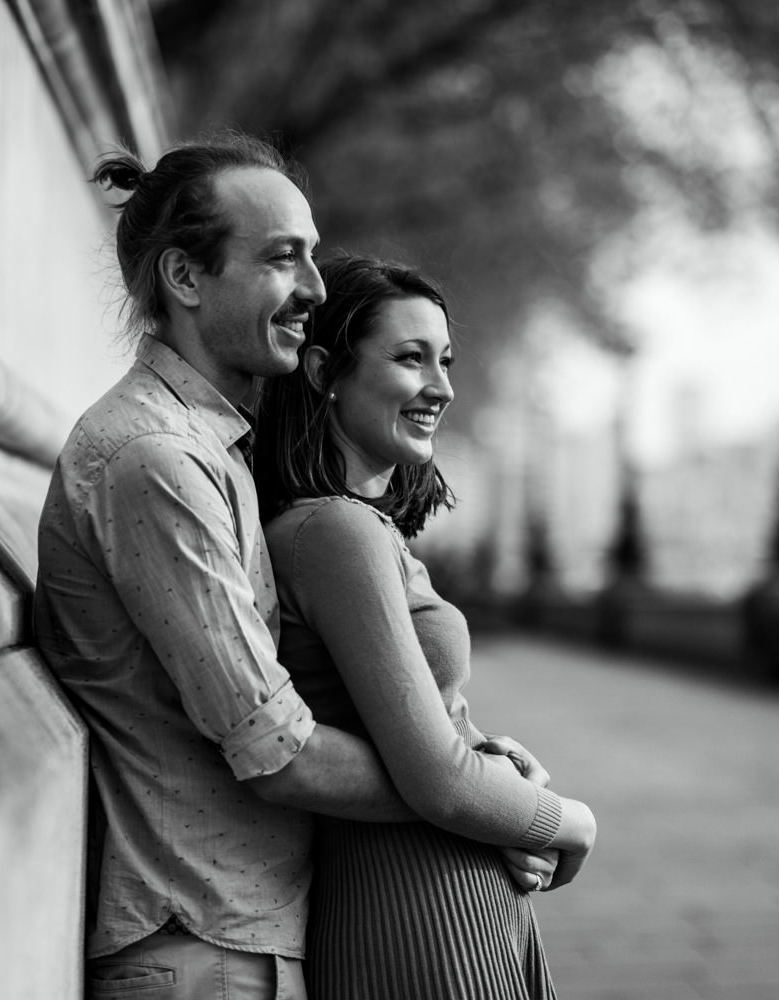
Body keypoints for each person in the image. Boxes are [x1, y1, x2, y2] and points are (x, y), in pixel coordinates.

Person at [33, 135, 430, 998]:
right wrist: (459, 786)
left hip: (233, 940)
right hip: (199, 953)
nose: (316, 291)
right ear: (185, 278)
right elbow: (276, 750)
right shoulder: (155, 460)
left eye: (313, 257)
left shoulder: (212, 450)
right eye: (284, 259)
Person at [254, 254, 599, 999]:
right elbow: (435, 777)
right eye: (411, 359)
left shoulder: (363, 531)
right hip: (417, 910)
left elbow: (423, 731)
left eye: (444, 360)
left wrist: (501, 769)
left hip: (444, 896)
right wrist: (567, 820)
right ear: (322, 371)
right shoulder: (333, 532)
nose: (441, 387)